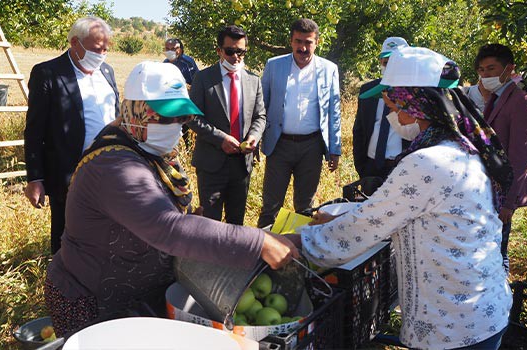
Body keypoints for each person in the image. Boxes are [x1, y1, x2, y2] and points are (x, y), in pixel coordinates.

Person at [44, 61, 299, 338]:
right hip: (94, 301)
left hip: (137, 295)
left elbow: (155, 218)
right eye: (165, 118)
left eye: (182, 118)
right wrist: (258, 242)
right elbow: (167, 228)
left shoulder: (149, 152)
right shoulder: (114, 166)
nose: (177, 127)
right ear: (135, 112)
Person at [297, 46, 513, 349]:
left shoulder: (429, 161)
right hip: (481, 310)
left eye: (397, 107)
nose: (392, 116)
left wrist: (298, 244)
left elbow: (366, 227)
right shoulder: (462, 145)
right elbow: (403, 209)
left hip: (455, 327)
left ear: (418, 105)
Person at [24, 17, 119, 254]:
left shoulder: (107, 71)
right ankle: (63, 285)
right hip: (69, 172)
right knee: (67, 236)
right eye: (97, 49)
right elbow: (34, 130)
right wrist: (35, 178)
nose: (102, 54)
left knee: (106, 231)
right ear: (75, 43)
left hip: (110, 169)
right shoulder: (48, 73)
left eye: (106, 49)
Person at [257, 18, 341, 228]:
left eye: (308, 42)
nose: (303, 48)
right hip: (279, 145)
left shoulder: (329, 69)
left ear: (317, 42)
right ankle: (260, 253)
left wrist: (335, 149)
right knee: (270, 205)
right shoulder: (274, 65)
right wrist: (255, 141)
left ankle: (300, 254)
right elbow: (261, 106)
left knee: (305, 206)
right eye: (298, 41)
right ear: (291, 41)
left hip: (311, 147)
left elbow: (334, 110)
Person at [187, 25, 266, 225]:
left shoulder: (253, 81)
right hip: (212, 164)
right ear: (219, 51)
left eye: (241, 51)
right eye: (230, 51)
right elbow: (192, 118)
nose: (236, 57)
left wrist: (253, 137)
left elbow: (260, 117)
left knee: (236, 222)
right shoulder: (203, 78)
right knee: (210, 223)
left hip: (241, 164)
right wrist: (220, 138)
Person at [475, 43, 527, 273]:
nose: (485, 75)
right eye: (481, 70)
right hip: (491, 187)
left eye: (491, 68)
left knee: (498, 251)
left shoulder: (522, 101)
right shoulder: (495, 97)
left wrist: (509, 202)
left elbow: (522, 156)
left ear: (509, 69)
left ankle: (501, 296)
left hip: (504, 193)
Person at [352, 36, 409, 179]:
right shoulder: (369, 90)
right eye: (386, 62)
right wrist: (361, 166)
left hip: (402, 166)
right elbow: (359, 130)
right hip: (371, 166)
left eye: (396, 62)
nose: (389, 66)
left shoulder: (415, 92)